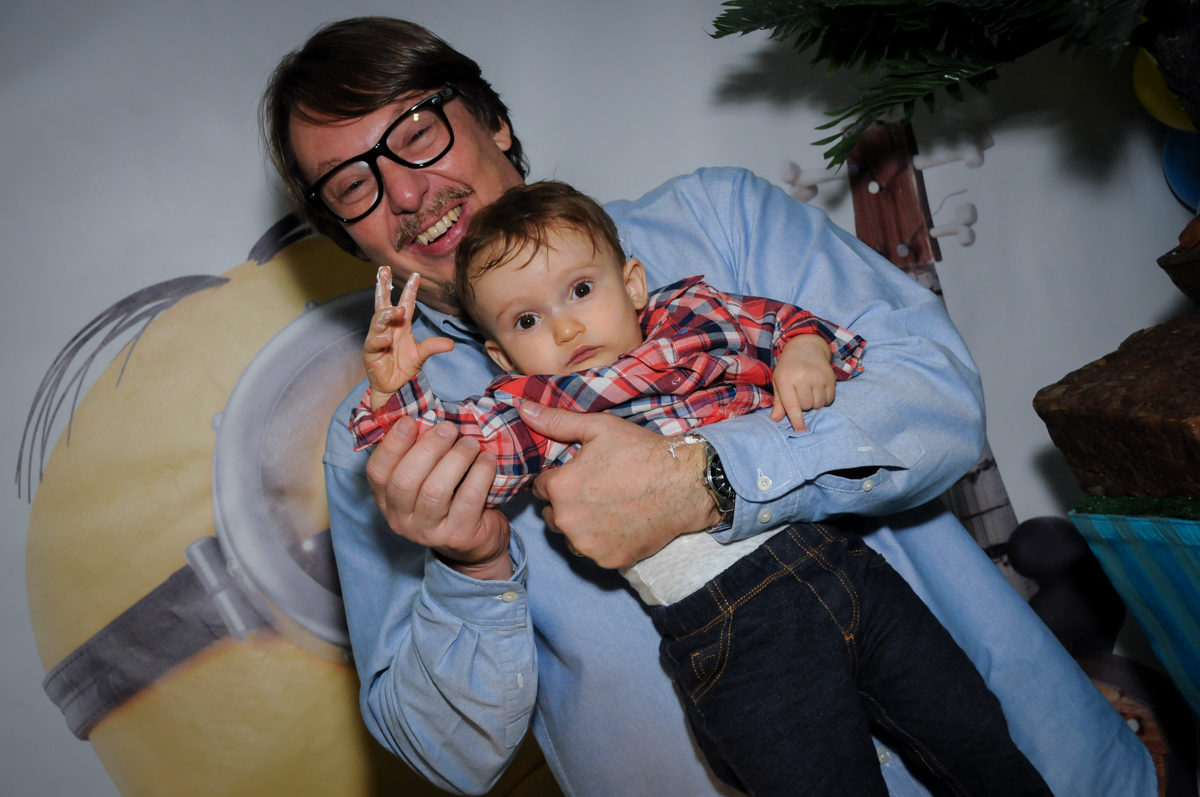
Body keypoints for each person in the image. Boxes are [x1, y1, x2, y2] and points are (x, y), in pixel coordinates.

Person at [261, 16, 1154, 797]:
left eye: (417, 130)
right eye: (351, 184)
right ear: (346, 234)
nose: (407, 193)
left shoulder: (719, 223)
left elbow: (941, 397)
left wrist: (712, 480)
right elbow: (449, 754)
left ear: (492, 117)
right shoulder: (388, 445)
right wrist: (470, 567)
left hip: (1039, 762)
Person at [349, 179, 1054, 797]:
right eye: (527, 320)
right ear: (501, 355)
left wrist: (804, 349)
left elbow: (784, 324)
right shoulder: (528, 408)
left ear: (631, 284)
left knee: (972, 732)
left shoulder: (695, 319)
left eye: (581, 290)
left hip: (844, 568)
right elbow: (442, 455)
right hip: (730, 628)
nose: (564, 325)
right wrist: (395, 392)